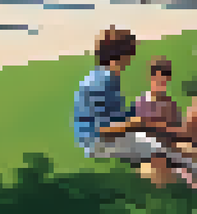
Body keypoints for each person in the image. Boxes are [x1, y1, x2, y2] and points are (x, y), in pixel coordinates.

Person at [74, 30, 197, 189]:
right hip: (98, 143)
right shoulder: (102, 81)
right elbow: (102, 129)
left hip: (104, 138)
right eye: (129, 55)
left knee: (161, 142)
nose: (130, 60)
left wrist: (135, 121)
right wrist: (135, 123)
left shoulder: (105, 77)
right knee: (160, 149)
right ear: (119, 56)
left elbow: (115, 117)